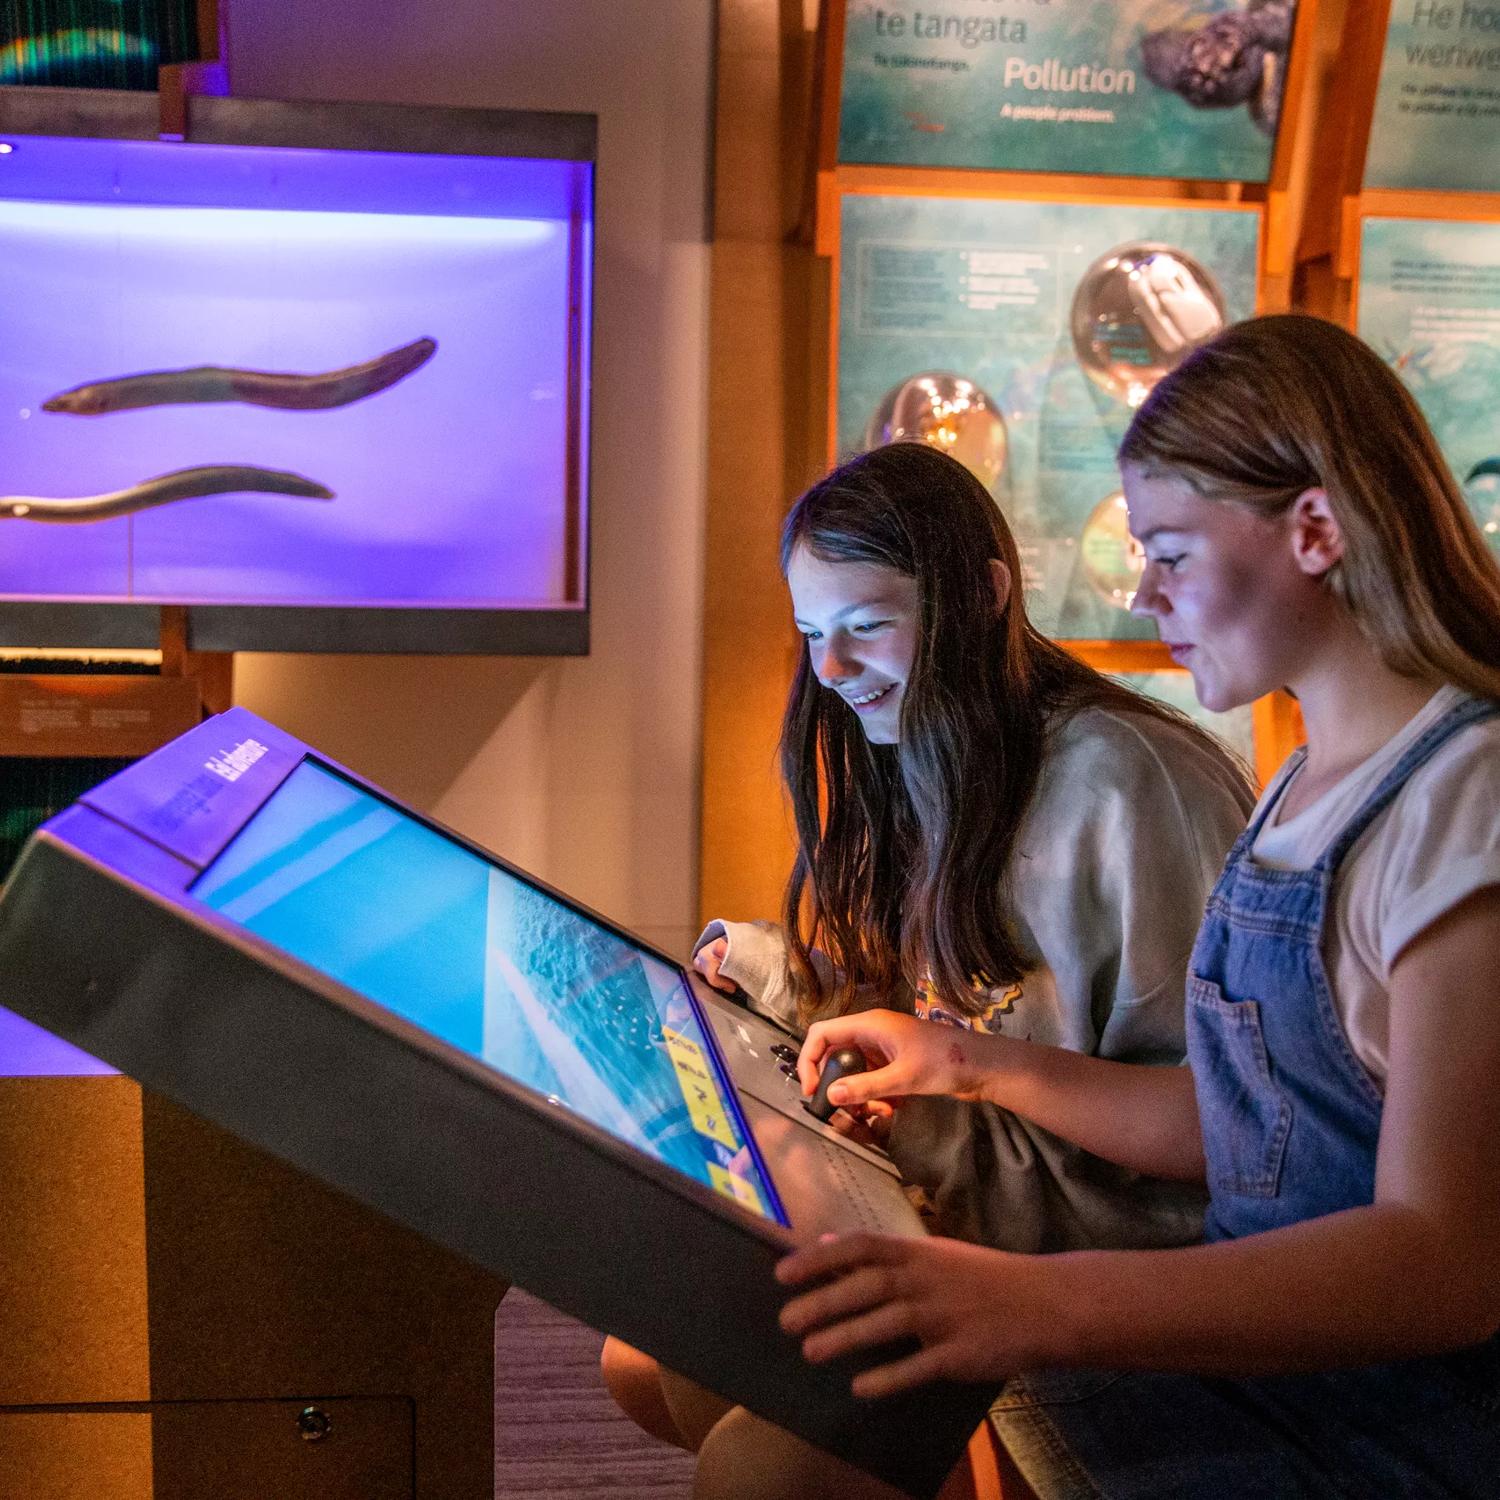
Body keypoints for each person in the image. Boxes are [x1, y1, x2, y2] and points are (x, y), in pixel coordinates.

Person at [726, 314, 1500, 1499]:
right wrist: (961, 1064)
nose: (1140, 593)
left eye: (1173, 552)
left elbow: (1442, 1261)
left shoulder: (1467, 800)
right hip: (1268, 1369)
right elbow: (1240, 1124)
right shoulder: (1310, 782)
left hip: (1383, 1428)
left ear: (1315, 529)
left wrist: (1035, 1300)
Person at [603, 439, 1255, 1475]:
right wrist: (774, 975)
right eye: (812, 633)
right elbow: (946, 1002)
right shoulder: (930, 745)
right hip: (991, 1201)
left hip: (1116, 1258)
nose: (829, 671)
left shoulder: (1130, 785)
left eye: (865, 627)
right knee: (646, 1357)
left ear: (981, 595)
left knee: (756, 1462)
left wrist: (944, 1097)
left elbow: (1214, 1139)